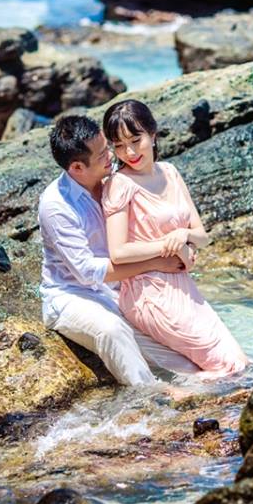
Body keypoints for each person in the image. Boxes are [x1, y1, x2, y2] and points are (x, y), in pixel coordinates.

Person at [38, 114, 203, 386]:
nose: (112, 156)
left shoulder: (114, 179)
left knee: (184, 361)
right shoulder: (56, 205)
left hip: (116, 291)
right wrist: (156, 263)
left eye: (107, 148)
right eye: (102, 154)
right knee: (112, 330)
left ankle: (213, 389)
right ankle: (151, 399)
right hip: (71, 296)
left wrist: (185, 244)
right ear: (77, 167)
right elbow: (87, 272)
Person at [102, 99, 249, 375]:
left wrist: (183, 235)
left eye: (135, 140)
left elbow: (202, 237)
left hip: (184, 288)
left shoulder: (170, 172)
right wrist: (169, 247)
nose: (129, 152)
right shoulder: (119, 184)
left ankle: (178, 397)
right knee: (230, 367)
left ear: (152, 133)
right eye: (119, 145)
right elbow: (118, 252)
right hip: (148, 292)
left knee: (238, 363)